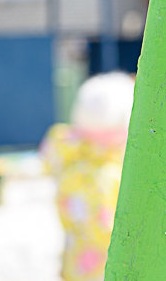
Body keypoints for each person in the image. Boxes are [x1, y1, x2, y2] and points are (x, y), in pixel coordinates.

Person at [40, 72, 134, 281]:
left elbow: (47, 160)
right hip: (110, 268)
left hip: (74, 264)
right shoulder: (114, 173)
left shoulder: (68, 156)